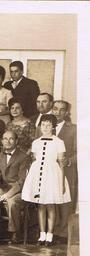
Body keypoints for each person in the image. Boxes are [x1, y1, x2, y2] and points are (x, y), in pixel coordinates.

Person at [22, 114, 71, 246]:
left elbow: (61, 162)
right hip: (38, 174)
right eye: (43, 125)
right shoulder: (36, 142)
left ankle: (50, 235)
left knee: (50, 205)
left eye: (48, 125)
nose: (45, 127)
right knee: (41, 205)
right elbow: (35, 159)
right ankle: (42, 235)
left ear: (53, 127)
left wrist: (61, 182)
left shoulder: (59, 142)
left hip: (52, 175)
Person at [0, 130, 29, 244]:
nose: (8, 141)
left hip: (20, 190)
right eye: (5, 139)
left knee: (12, 202)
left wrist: (9, 194)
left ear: (16, 141)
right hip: (4, 188)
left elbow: (22, 180)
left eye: (11, 139)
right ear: (2, 141)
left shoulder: (23, 157)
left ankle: (14, 233)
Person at [52, 100, 77, 239]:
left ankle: (64, 233)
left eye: (62, 110)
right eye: (55, 109)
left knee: (67, 200)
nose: (58, 112)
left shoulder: (73, 128)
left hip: (67, 170)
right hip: (50, 170)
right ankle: (52, 230)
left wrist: (69, 161)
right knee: (51, 199)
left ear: (67, 112)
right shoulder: (46, 127)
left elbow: (81, 151)